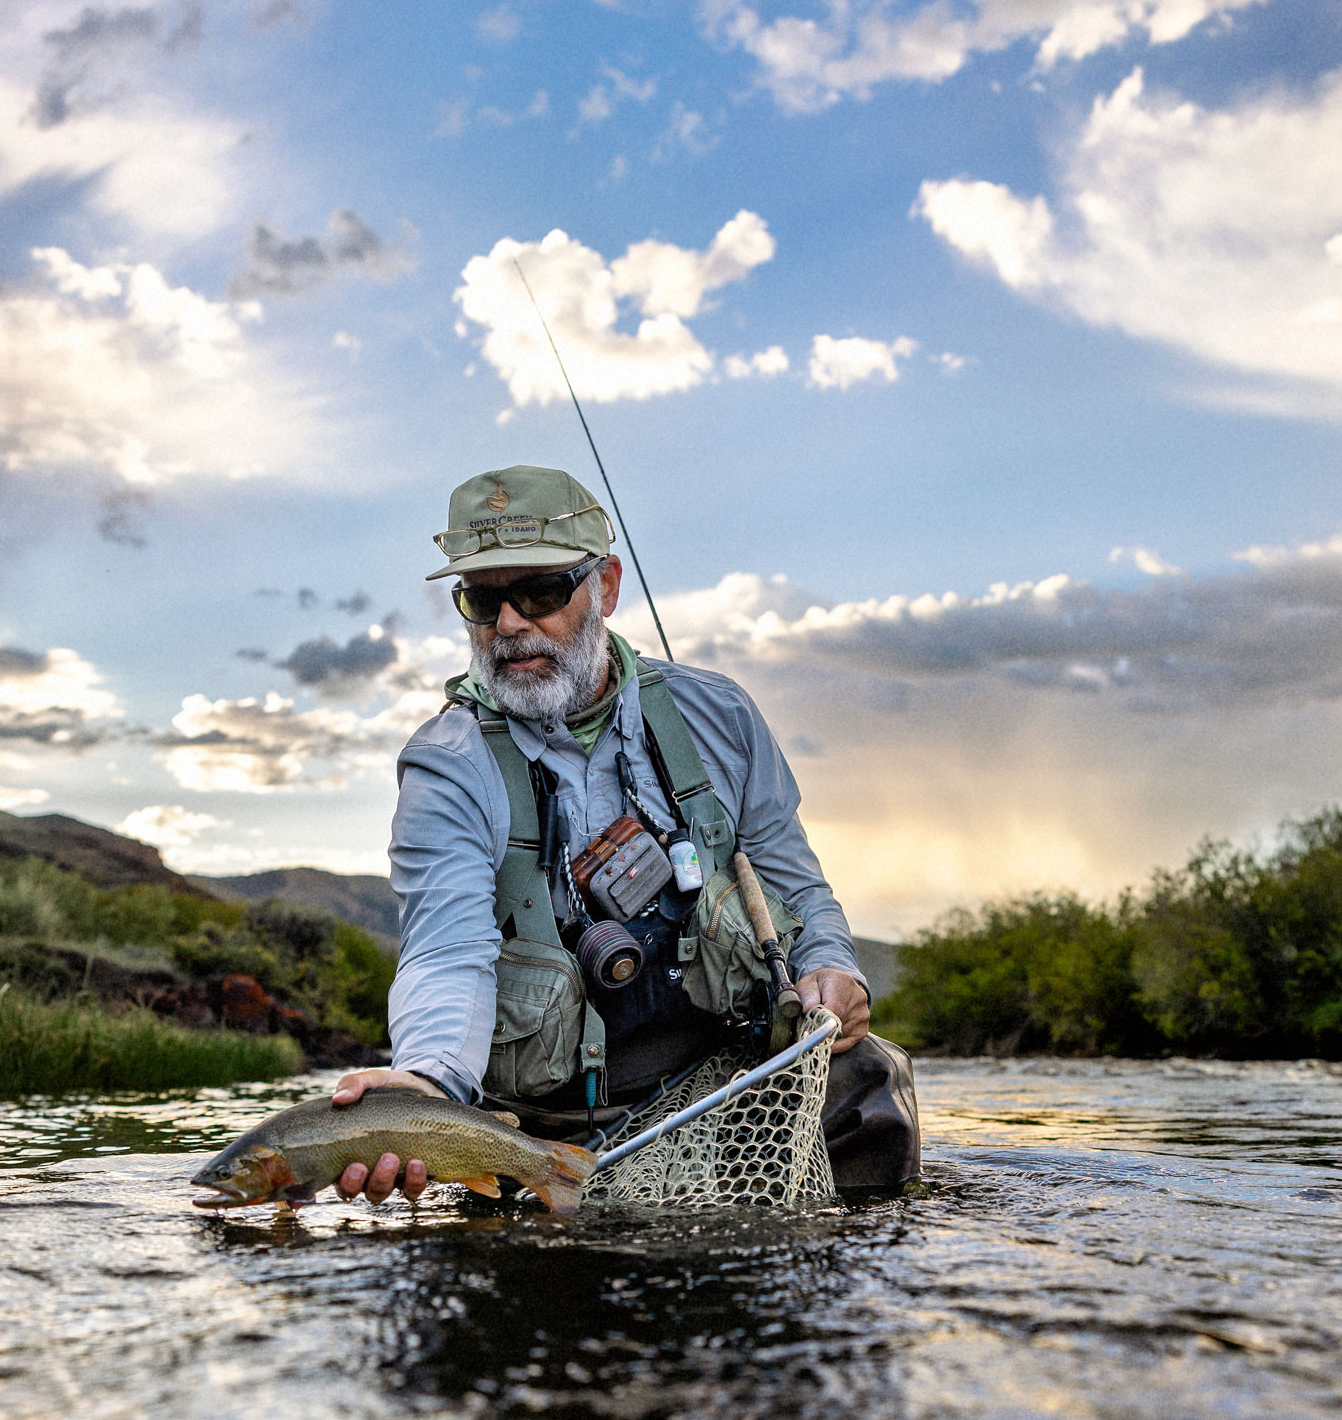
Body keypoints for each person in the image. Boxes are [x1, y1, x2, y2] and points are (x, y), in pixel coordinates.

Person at [329, 464, 920, 1204]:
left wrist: (832, 965)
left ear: (605, 586)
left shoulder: (721, 717)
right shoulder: (446, 766)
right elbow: (446, 954)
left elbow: (794, 881)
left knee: (868, 1078)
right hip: (538, 1121)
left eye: (541, 592)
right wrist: (425, 1084)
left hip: (718, 1080)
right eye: (482, 600)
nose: (509, 624)